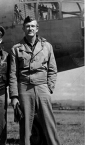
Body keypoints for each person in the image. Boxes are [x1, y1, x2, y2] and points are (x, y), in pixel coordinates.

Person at [9, 16, 60, 145]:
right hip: (24, 88)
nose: (30, 28)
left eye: (32, 26)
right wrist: (14, 96)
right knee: (25, 126)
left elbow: (53, 70)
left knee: (49, 124)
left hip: (42, 87)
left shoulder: (47, 46)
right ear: (23, 29)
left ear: (37, 28)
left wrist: (49, 88)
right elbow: (13, 75)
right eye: (27, 26)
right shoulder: (16, 49)